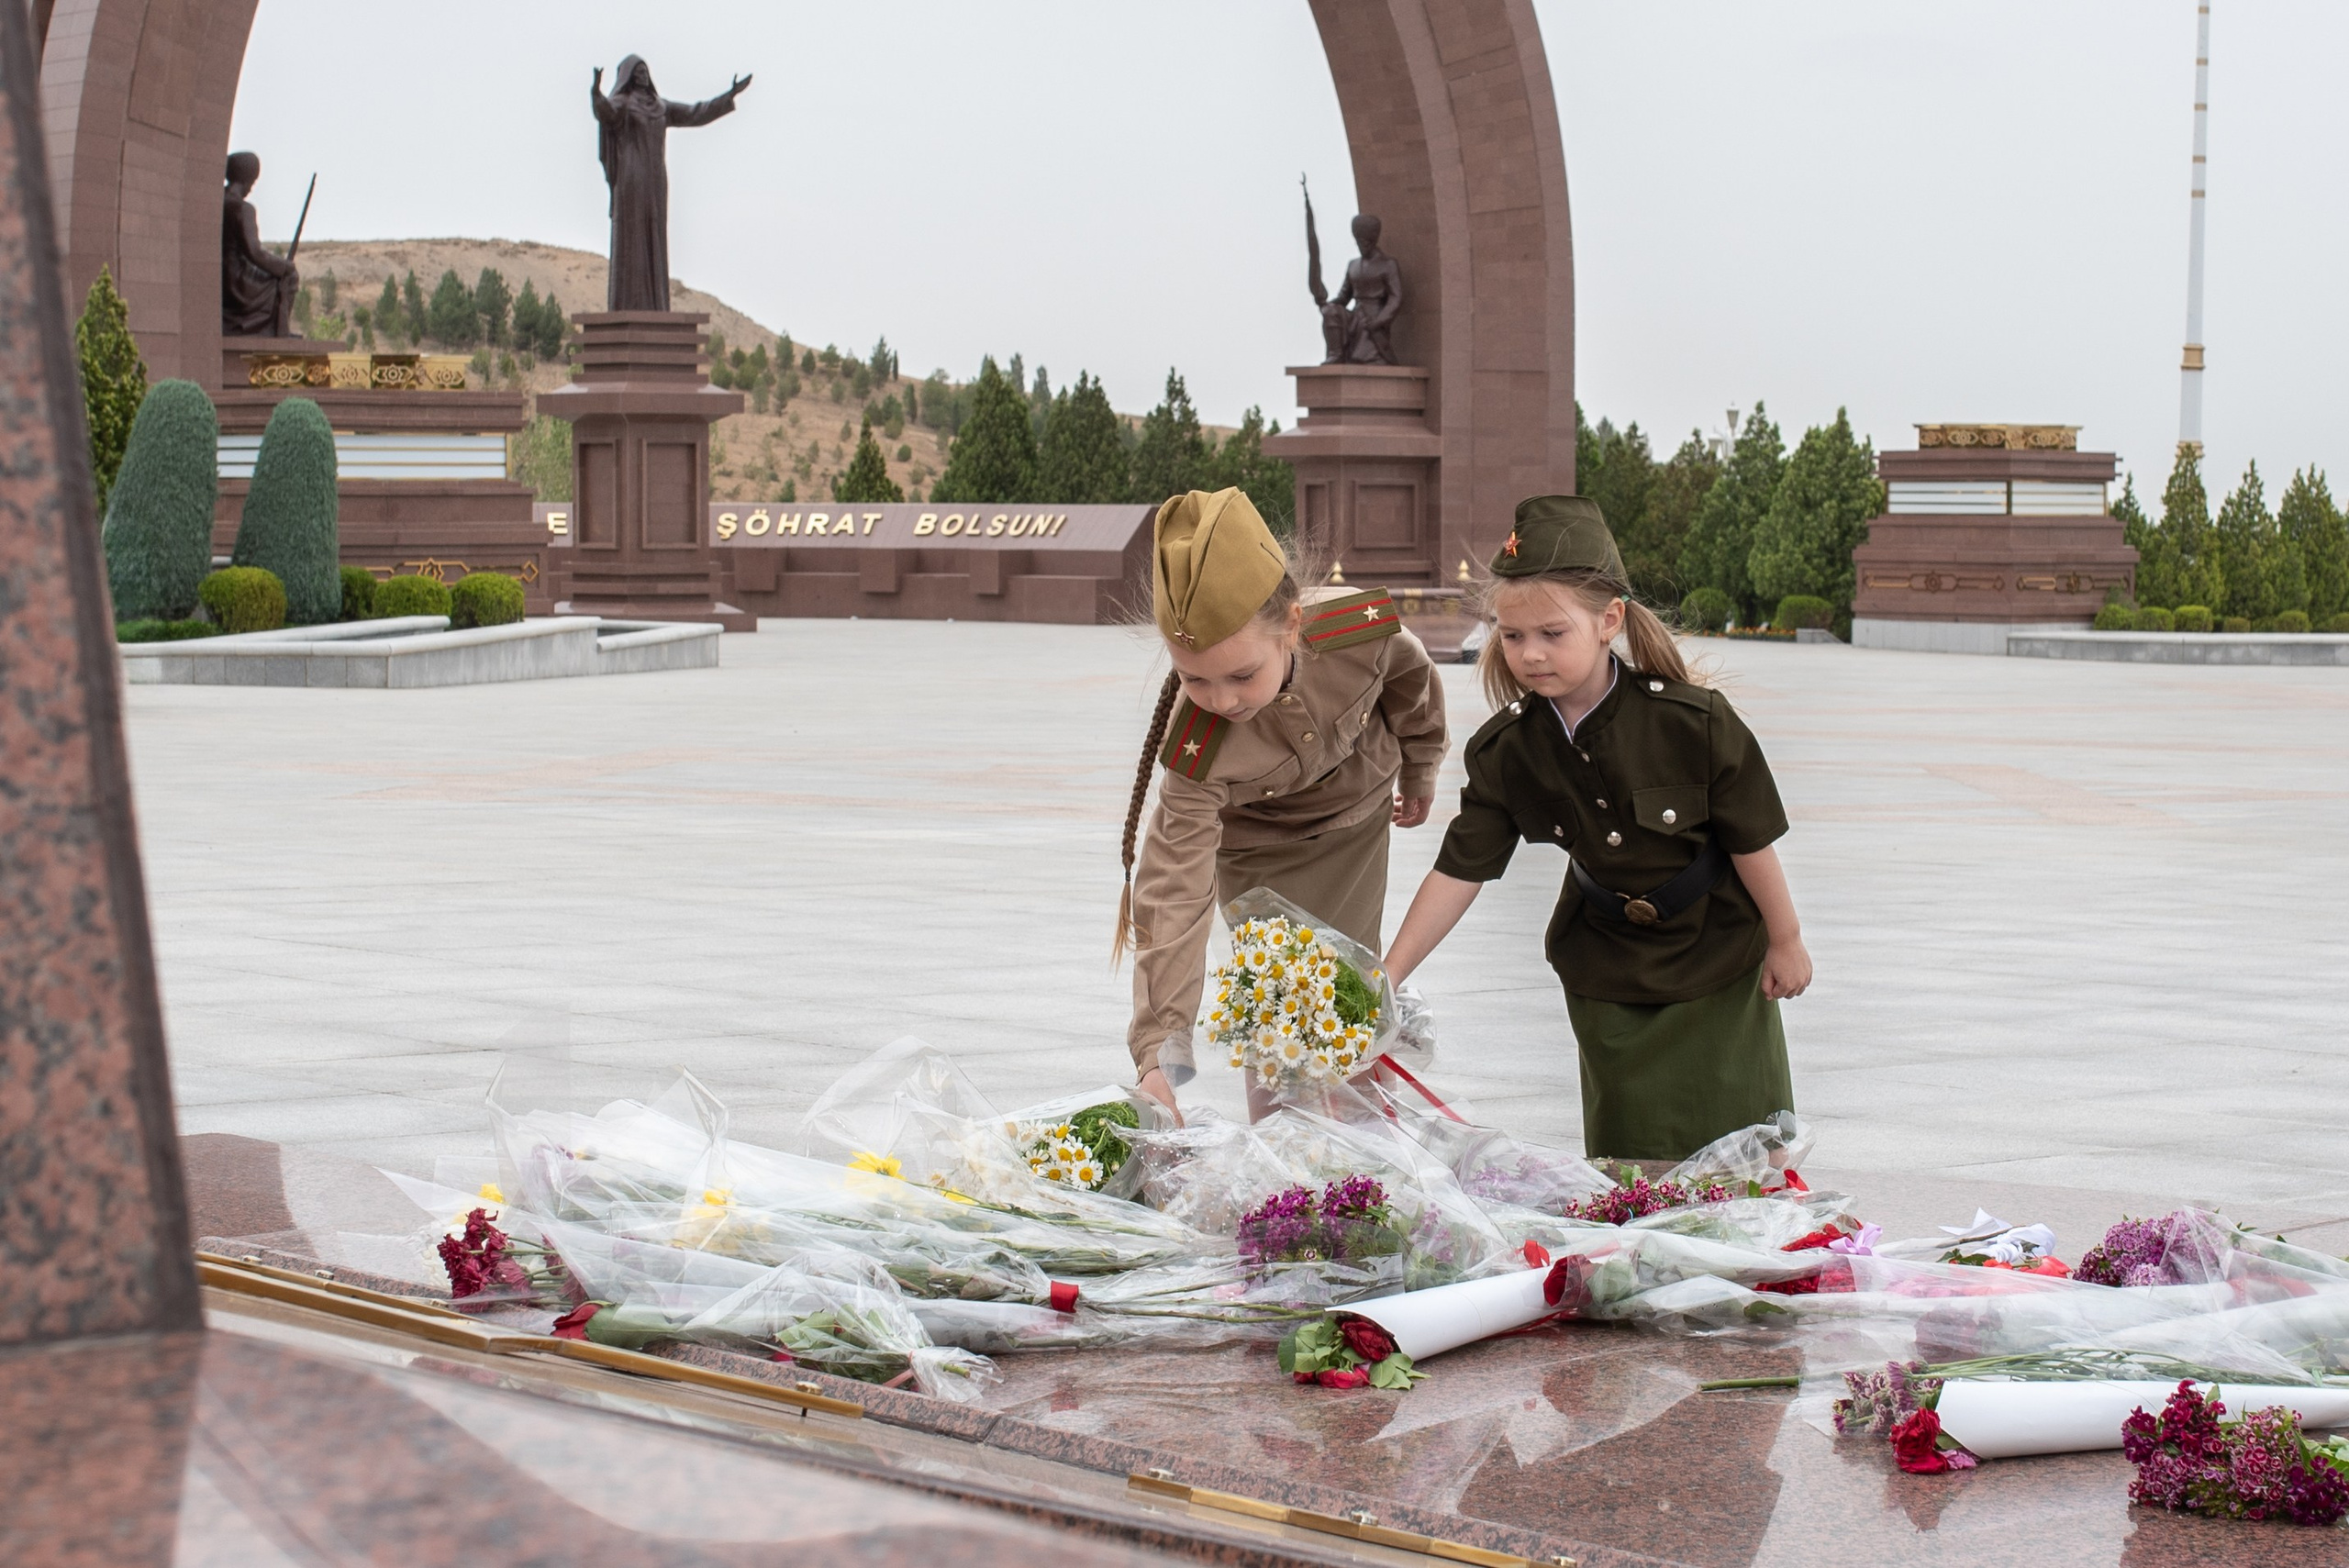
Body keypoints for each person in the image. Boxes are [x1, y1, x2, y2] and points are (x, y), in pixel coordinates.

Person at [1381, 495, 1811, 1162]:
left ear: (1609, 619)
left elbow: (1750, 838)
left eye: (1553, 634)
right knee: (1630, 1163)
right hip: (1608, 968)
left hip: (1718, 953)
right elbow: (1460, 868)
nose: (1530, 653)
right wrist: (1387, 977)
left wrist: (1786, 939)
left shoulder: (1692, 724)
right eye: (1512, 634)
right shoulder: (1511, 750)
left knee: (1745, 1155)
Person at [1116, 488, 1448, 1122]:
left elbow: (1412, 680)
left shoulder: (1360, 630)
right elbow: (1173, 890)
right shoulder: (1197, 746)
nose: (1220, 699)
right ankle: (1287, 1172)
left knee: (1349, 994)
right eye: (1194, 678)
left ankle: (1373, 1163)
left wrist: (1421, 764)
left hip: (1355, 821)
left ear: (1293, 625)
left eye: (1241, 675)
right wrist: (1159, 1051)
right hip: (1258, 854)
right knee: (1281, 1005)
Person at [592, 56, 752, 311]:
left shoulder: (661, 107)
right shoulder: (622, 104)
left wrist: (729, 95)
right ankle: (629, 303)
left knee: (654, 234)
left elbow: (695, 113)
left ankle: (655, 305)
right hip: (631, 178)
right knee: (632, 236)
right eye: (637, 71)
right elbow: (606, 113)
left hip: (656, 180)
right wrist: (596, 92)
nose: (643, 75)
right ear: (628, 77)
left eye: (645, 71)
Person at [221, 152, 297, 338]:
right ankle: (279, 330)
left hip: (222, 274)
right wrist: (284, 267)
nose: (251, 189)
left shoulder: (219, 203)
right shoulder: (243, 208)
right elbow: (255, 253)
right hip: (237, 280)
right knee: (290, 277)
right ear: (248, 179)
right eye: (253, 183)